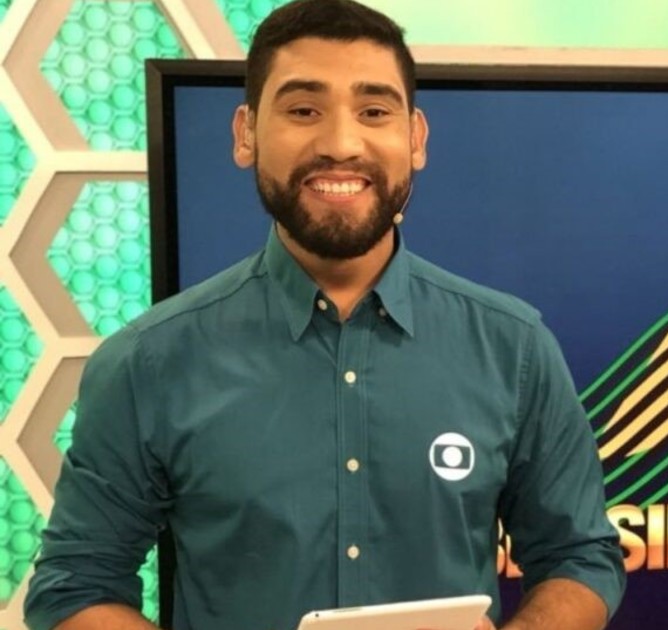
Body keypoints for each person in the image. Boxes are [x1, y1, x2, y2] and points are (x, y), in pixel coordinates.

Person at [23, 1, 626, 629]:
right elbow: (74, 587)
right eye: (304, 110)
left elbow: (580, 556)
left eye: (374, 111)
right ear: (246, 133)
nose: (341, 144)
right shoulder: (147, 362)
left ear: (415, 139)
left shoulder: (514, 348)